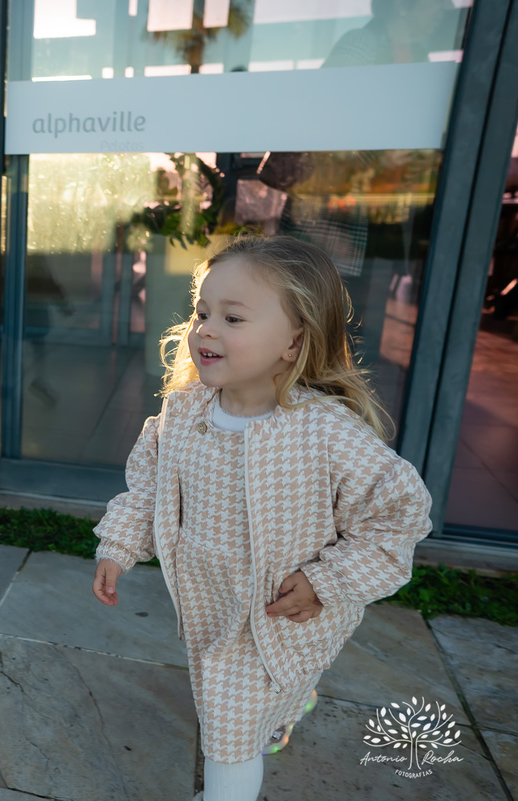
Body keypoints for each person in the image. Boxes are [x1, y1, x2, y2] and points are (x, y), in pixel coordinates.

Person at [89, 235, 431, 801]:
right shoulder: (185, 413)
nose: (206, 330)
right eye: (202, 313)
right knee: (241, 694)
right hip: (211, 604)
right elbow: (148, 487)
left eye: (233, 317)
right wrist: (118, 546)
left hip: (280, 612)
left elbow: (396, 518)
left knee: (228, 732)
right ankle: (287, 702)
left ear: (294, 342)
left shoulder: (325, 433)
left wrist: (328, 581)